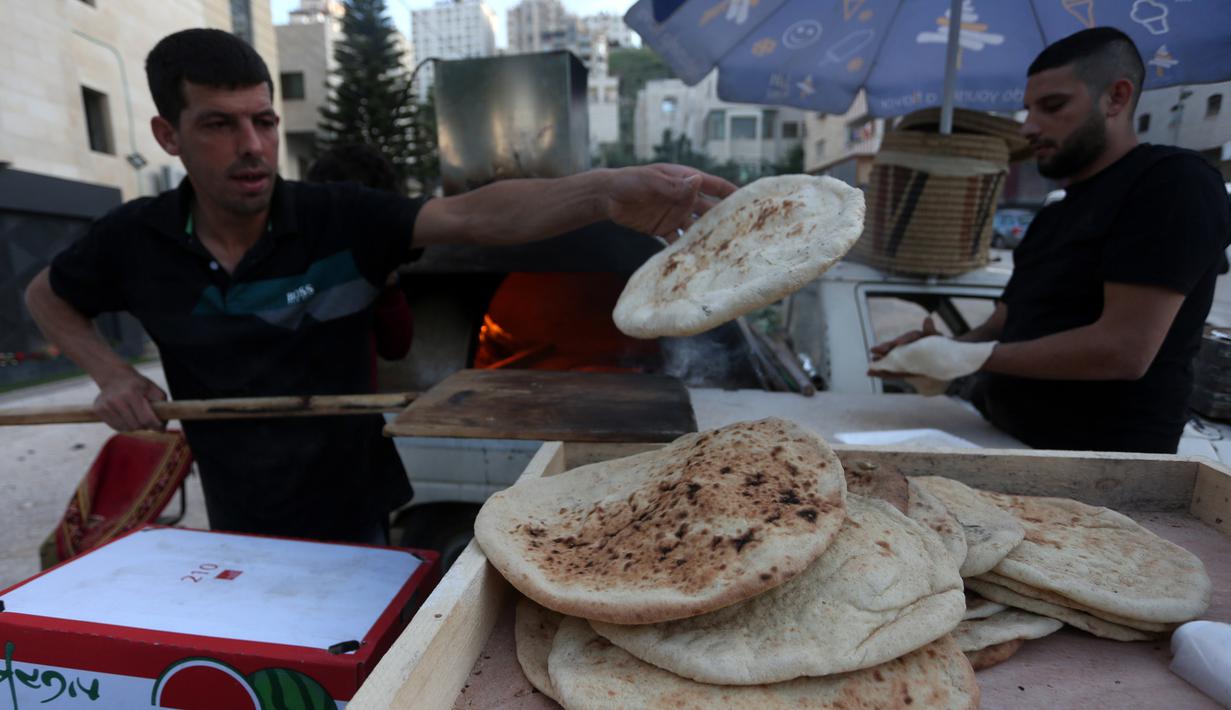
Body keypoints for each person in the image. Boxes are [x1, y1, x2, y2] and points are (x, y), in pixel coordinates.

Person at [23, 28, 736, 544]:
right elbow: (46, 296)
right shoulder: (134, 239)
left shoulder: (338, 218)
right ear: (167, 134)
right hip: (237, 515)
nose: (252, 146)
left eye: (264, 121)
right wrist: (112, 374)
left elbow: (477, 214)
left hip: (357, 510)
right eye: (218, 124)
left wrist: (603, 192)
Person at [870, 27, 1231, 454]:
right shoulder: (1055, 213)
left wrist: (974, 359)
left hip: (1104, 466)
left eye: (1052, 106)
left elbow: (1123, 350)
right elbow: (1006, 321)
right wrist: (940, 349)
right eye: (1026, 110)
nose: (1028, 127)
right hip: (999, 435)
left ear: (1116, 97)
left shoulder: (1172, 184)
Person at [305, 143, 414, 392]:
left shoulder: (376, 273)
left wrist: (387, 283)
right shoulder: (300, 270)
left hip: (357, 418)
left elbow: (397, 346)